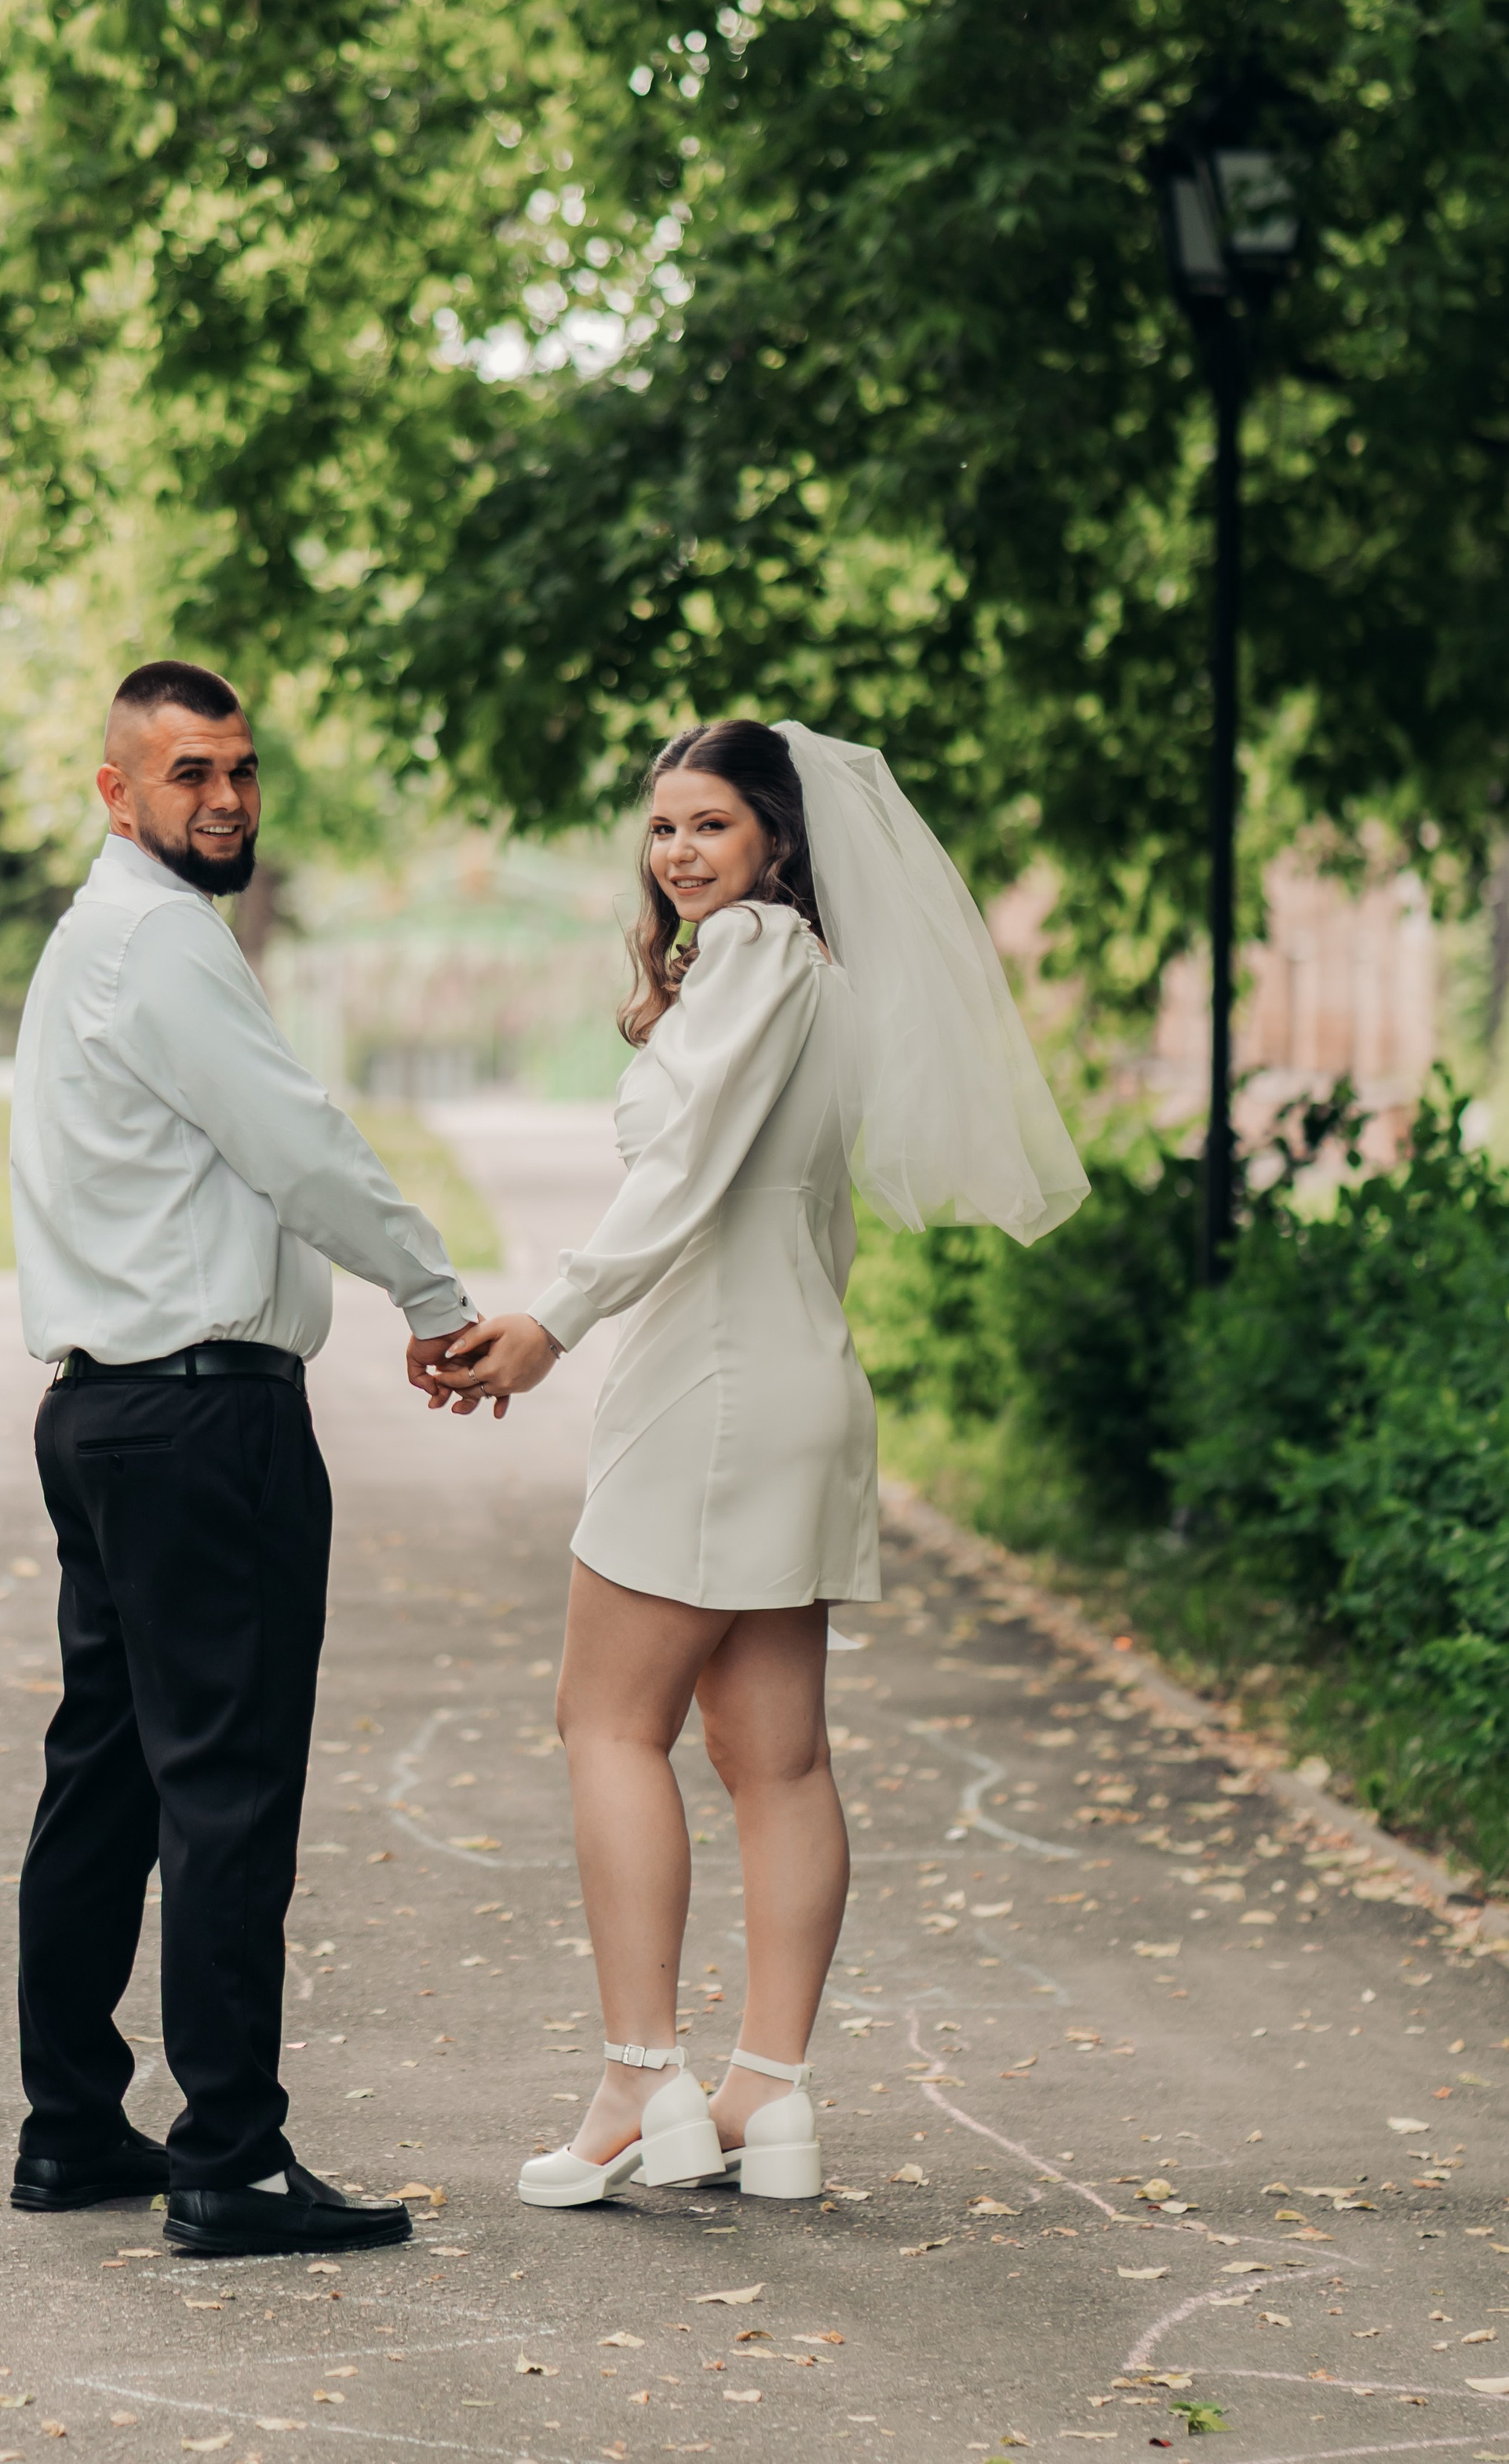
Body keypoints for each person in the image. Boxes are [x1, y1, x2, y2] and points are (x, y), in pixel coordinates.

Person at [432, 719, 1087, 2207]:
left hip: (708, 1385)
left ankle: (638, 2081)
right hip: (803, 1380)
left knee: (607, 1722)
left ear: (777, 840)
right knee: (775, 1756)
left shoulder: (746, 958)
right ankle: (765, 2098)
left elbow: (686, 1167)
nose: (678, 852)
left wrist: (553, 1322)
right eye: (663, 825)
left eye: (710, 824)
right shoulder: (832, 979)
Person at [7, 659, 484, 2261]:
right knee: (225, 1786)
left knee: (108, 1777)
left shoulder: (96, 937)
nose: (225, 799)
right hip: (203, 1421)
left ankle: (73, 2126)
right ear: (116, 790)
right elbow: (297, 1145)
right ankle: (229, 2160)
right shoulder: (161, 942)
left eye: (241, 770)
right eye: (189, 773)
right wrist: (433, 1293)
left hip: (105, 1413)